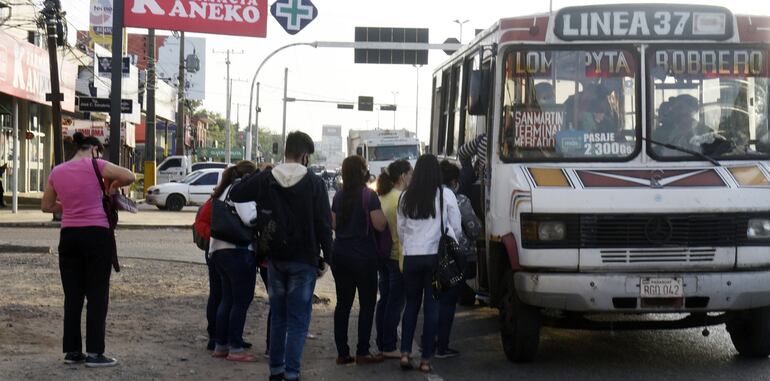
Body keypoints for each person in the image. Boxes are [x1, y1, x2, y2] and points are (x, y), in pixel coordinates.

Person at [230, 131, 333, 381]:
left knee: (279, 317)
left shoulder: (267, 178)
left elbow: (236, 193)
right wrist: (327, 256)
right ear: (305, 156)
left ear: (285, 151)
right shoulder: (314, 183)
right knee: (298, 321)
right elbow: (323, 224)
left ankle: (276, 372)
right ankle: (292, 373)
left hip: (274, 258)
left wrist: (260, 171)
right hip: (304, 260)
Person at [41, 132, 135, 367]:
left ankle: (72, 352)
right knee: (97, 295)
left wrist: (71, 205)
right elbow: (130, 176)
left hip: (69, 236)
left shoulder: (57, 171)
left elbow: (46, 206)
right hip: (96, 235)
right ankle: (95, 353)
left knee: (72, 297)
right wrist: (112, 186)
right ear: (94, 149)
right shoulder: (98, 164)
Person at [396, 154, 462, 373]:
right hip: (435, 257)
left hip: (412, 257)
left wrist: (410, 247)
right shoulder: (446, 195)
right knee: (432, 307)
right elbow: (456, 227)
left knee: (411, 305)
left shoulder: (405, 196)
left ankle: (405, 353)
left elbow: (401, 229)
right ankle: (425, 360)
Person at [331, 155, 388, 365]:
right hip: (364, 258)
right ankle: (362, 352)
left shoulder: (338, 196)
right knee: (366, 305)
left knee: (343, 304)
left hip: (341, 255)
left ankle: (342, 353)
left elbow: (334, 225)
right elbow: (380, 225)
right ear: (362, 171)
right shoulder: (369, 196)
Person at [209, 160, 259, 362]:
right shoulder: (241, 191)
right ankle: (236, 348)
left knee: (227, 300)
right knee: (240, 302)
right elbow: (249, 219)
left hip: (219, 251)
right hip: (237, 251)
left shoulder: (223, 190)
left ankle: (221, 345)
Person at [435, 160, 482, 358]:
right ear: (455, 181)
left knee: (435, 301)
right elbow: (473, 228)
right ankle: (441, 345)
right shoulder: (459, 199)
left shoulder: (427, 195)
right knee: (448, 302)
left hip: (430, 254)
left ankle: (429, 339)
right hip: (456, 256)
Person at [374, 160, 412, 359]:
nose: (412, 178)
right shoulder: (401, 198)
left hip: (383, 255)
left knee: (386, 299)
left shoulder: (384, 196)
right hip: (398, 256)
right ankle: (389, 345)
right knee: (395, 303)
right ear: (403, 176)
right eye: (410, 174)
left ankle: (382, 342)